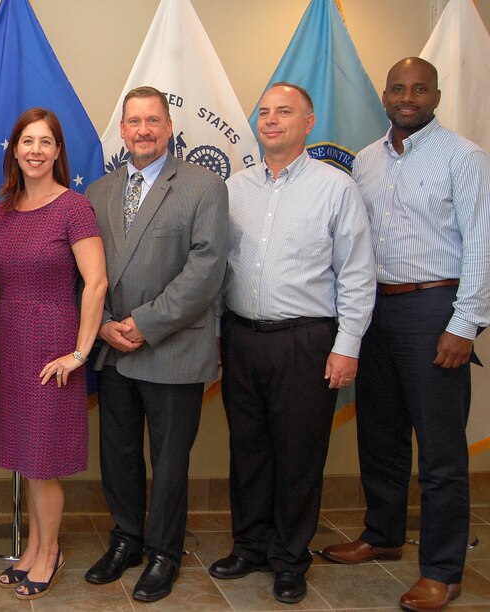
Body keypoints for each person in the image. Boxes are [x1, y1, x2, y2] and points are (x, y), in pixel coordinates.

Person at [321, 57, 489, 612]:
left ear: (436, 97)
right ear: (386, 96)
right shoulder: (365, 162)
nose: (408, 97)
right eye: (398, 88)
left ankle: (443, 569)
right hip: (376, 311)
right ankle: (384, 534)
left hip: (435, 308)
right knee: (381, 433)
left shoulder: (464, 158)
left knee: (440, 452)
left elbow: (481, 246)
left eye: (420, 89)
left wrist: (463, 324)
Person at [212, 83, 375, 604]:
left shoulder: (336, 188)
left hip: (306, 340)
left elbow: (356, 272)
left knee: (299, 453)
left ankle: (289, 558)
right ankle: (251, 546)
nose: (272, 120)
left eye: (285, 112)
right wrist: (216, 335)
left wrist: (347, 344)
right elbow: (217, 270)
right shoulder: (234, 188)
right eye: (264, 112)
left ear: (308, 122)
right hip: (240, 336)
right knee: (249, 449)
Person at [83, 86, 228, 603]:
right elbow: (81, 272)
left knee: (169, 461)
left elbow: (206, 269)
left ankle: (164, 552)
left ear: (169, 128)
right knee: (118, 453)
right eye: (133, 122)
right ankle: (126, 539)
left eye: (152, 121)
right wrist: (101, 326)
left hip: (170, 347)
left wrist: (143, 324)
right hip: (111, 348)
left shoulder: (203, 186)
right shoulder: (98, 192)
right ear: (121, 130)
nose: (142, 130)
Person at [0, 108, 106, 600]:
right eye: (26, 141)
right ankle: (33, 549)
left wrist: (79, 354)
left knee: (44, 462)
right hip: (12, 344)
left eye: (45, 142)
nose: (35, 150)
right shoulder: (2, 210)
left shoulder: (73, 207)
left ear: (58, 151)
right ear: (14, 150)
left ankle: (49, 552)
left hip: (54, 347)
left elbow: (96, 283)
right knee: (25, 457)